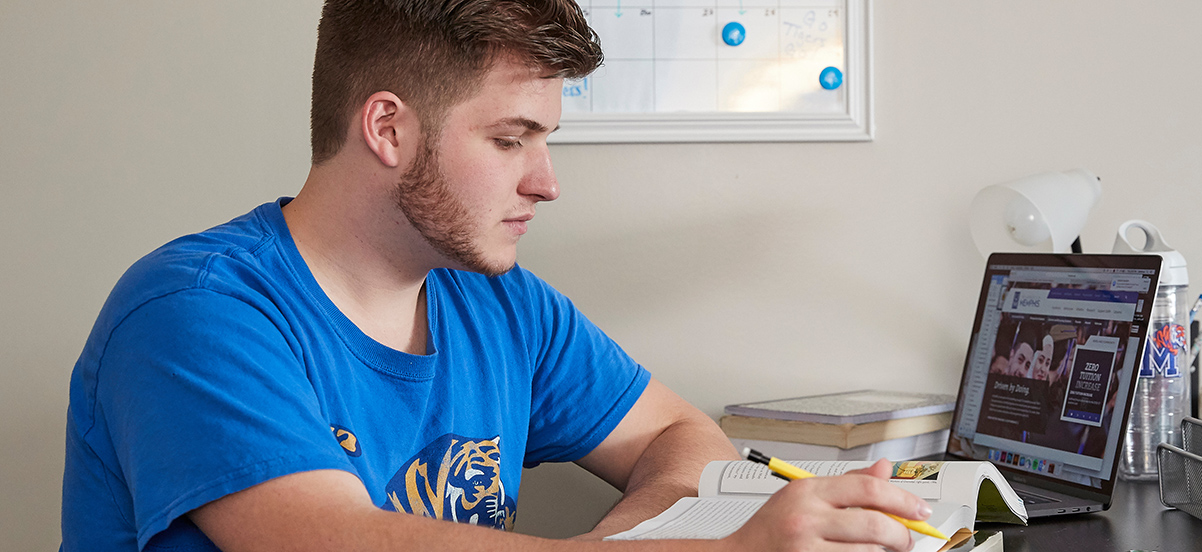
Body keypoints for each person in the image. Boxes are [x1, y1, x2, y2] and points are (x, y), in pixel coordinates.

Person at [58, 1, 930, 551]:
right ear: (388, 130)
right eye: (511, 140)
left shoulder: (498, 303)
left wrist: (642, 525)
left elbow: (678, 434)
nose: (546, 181)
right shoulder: (195, 314)